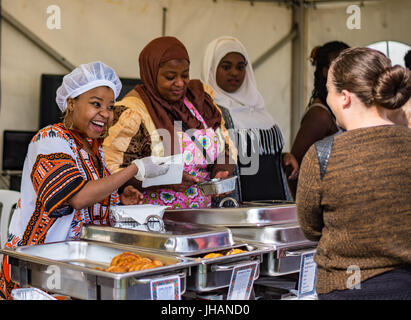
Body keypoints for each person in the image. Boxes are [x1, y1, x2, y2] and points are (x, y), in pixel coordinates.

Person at [0, 61, 170, 299]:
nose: (106, 113)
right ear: (71, 103)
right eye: (96, 104)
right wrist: (134, 168)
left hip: (75, 262)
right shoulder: (49, 139)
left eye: (110, 106)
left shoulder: (93, 148)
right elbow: (78, 198)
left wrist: (119, 199)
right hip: (38, 266)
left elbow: (92, 200)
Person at [296, 47, 411, 300]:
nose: (327, 99)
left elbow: (311, 228)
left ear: (345, 97)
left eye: (329, 90)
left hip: (346, 288)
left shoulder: (322, 155)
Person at [103, 37, 237, 209]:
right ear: (151, 73)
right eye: (170, 77)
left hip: (202, 216)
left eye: (185, 75)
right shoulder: (132, 112)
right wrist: (164, 180)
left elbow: (225, 145)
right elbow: (111, 169)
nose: (180, 83)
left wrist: (221, 171)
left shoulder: (199, 100)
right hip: (153, 220)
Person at [201, 36, 298, 202]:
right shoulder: (208, 110)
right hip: (237, 204)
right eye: (226, 67)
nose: (234, 72)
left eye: (240, 67)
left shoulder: (257, 106)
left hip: (274, 199)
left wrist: (281, 157)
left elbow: (260, 150)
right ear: (211, 69)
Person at [289, 41, 349, 199]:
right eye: (340, 65)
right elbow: (294, 166)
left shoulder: (339, 110)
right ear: (325, 72)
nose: (348, 71)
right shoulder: (319, 115)